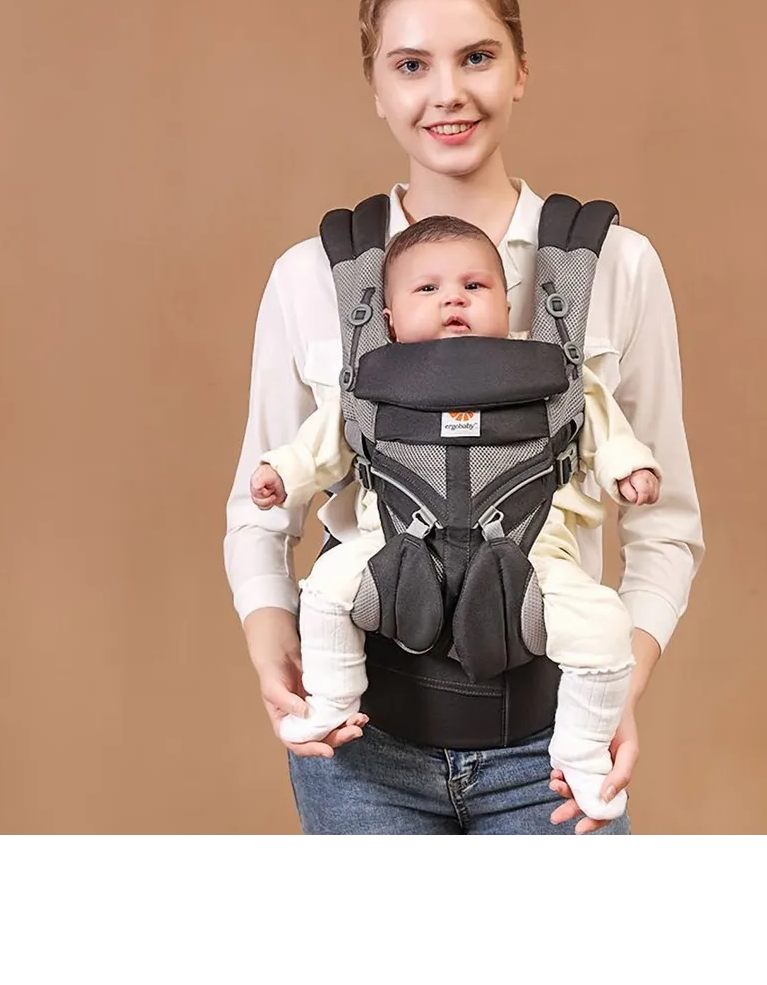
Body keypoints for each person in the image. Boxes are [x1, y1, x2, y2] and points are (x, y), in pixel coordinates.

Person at [224, 0, 704, 839]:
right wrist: (273, 647)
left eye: (477, 56)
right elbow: (260, 508)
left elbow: (666, 522)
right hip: (365, 746)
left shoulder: (614, 266)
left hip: (550, 744)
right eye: (411, 65)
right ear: (376, 86)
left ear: (521, 70)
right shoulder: (311, 276)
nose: (447, 93)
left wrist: (615, 695)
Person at [248, 213, 662, 821]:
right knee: (326, 589)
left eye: (475, 286)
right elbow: (320, 445)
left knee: (603, 625)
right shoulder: (367, 383)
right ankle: (334, 699)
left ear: (508, 305)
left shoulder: (552, 375)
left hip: (530, 562)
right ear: (389, 318)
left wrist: (629, 469)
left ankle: (580, 752)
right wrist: (282, 474)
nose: (454, 300)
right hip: (394, 556)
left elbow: (604, 430)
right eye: (428, 288)